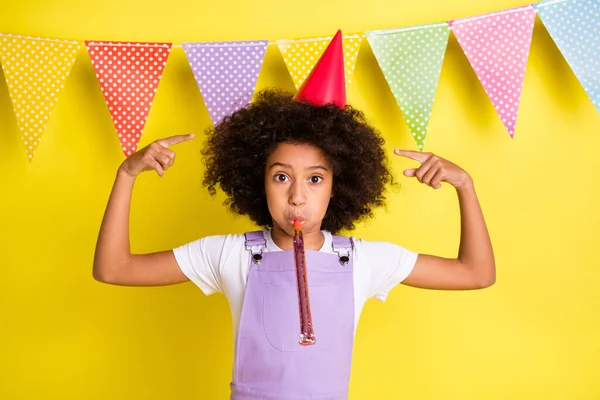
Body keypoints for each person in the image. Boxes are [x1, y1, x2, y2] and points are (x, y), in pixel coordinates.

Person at [93, 30, 495, 400]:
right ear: (257, 181)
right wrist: (126, 175)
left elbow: (476, 274)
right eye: (281, 176)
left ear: (340, 184)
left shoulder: (364, 260)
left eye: (316, 178)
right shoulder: (229, 255)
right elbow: (114, 268)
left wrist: (466, 186)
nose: (297, 196)